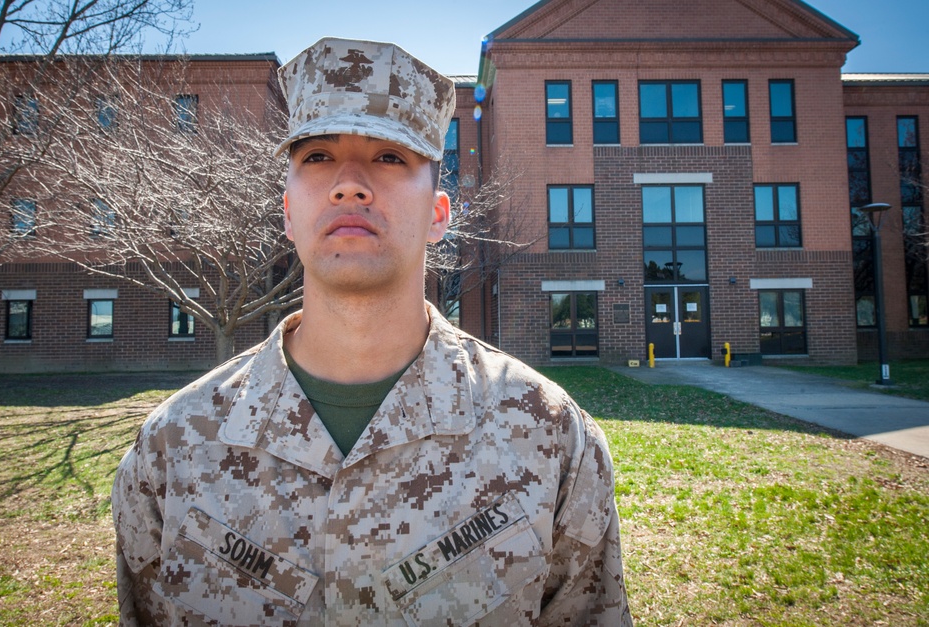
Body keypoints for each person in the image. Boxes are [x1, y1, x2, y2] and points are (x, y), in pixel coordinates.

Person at [112, 36, 632, 626]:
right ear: (287, 212)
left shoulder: (550, 436)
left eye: (389, 157)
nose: (350, 183)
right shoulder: (174, 449)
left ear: (438, 215)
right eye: (317, 157)